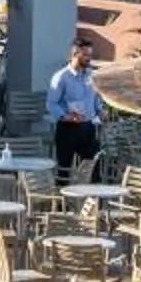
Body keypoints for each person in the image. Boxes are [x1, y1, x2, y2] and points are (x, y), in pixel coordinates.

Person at [47, 38, 105, 178]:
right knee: (64, 170)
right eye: (85, 55)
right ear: (75, 54)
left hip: (88, 128)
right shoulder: (61, 77)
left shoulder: (92, 76)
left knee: (93, 169)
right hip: (68, 128)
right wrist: (65, 116)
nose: (89, 59)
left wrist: (100, 110)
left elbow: (95, 98)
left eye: (90, 56)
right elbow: (51, 103)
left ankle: (93, 198)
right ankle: (61, 198)